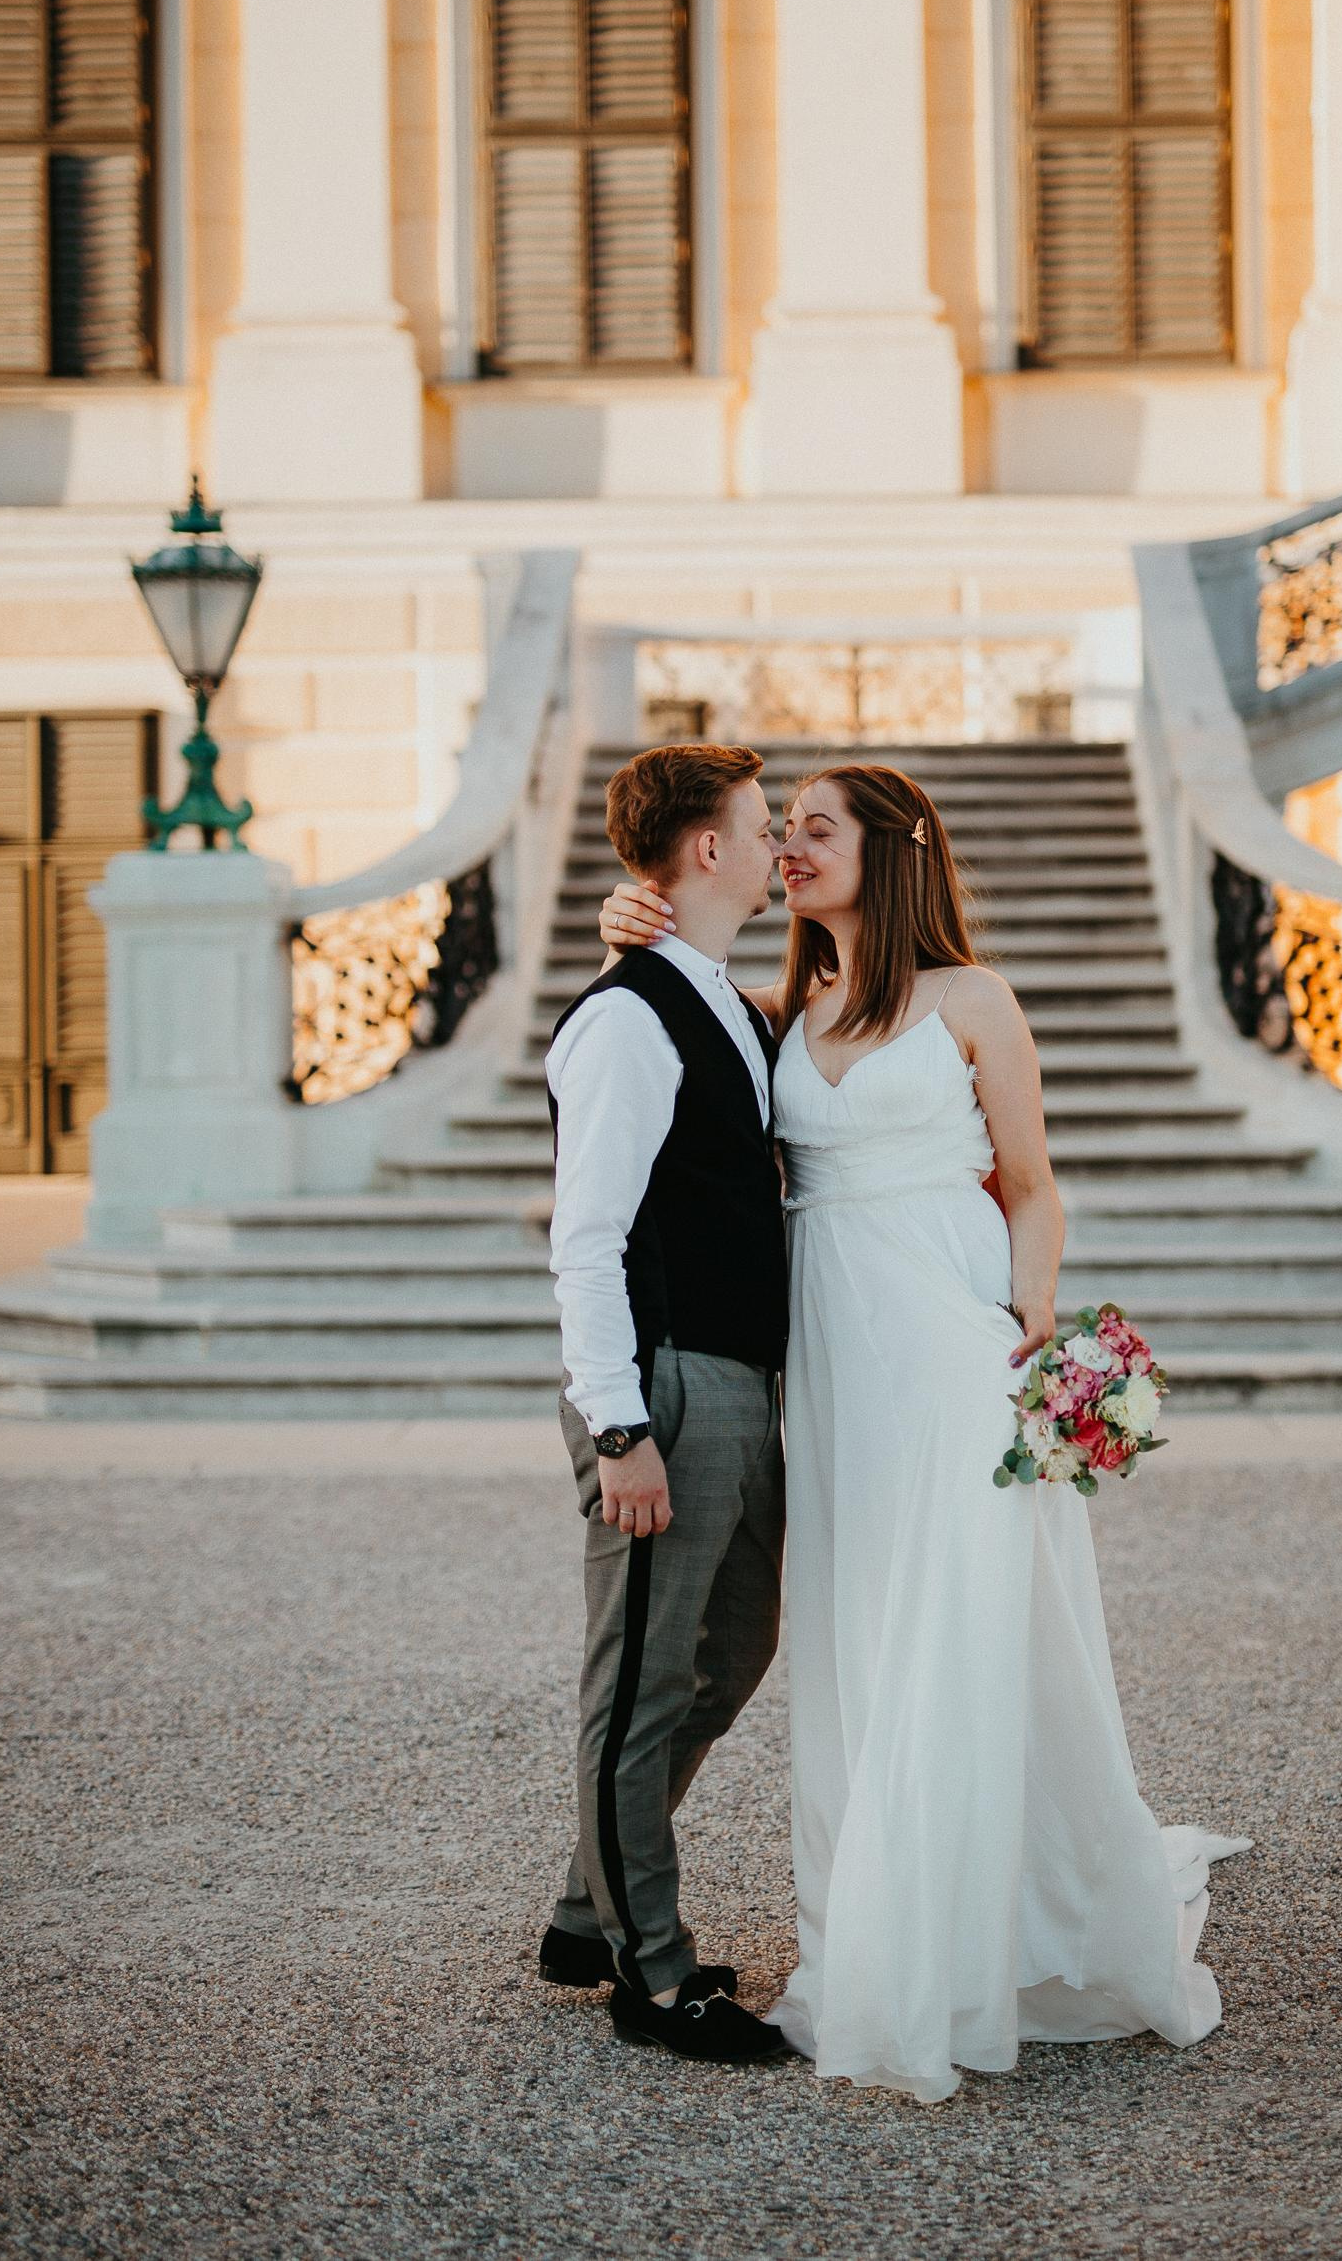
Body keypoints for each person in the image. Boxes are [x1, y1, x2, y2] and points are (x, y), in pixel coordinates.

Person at [595, 757, 1248, 2103]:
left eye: (815, 830)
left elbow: (1032, 1182)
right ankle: (891, 1918)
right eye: (778, 833)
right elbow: (666, 1039)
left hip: (954, 1354)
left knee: (952, 1627)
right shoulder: (784, 1003)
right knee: (862, 1636)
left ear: (893, 847)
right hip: (834, 1370)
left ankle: (934, 1958)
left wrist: (1038, 1320)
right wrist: (630, 924)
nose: (787, 851)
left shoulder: (972, 1000)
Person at [540, 743, 794, 2066]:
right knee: (635, 1686)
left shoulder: (718, 1000)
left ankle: (591, 1908)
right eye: (759, 827)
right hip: (668, 1385)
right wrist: (622, 1426)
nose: (774, 849)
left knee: (732, 1651)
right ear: (706, 851)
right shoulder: (627, 1018)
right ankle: (653, 1973)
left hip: (741, 1381)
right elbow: (585, 1241)